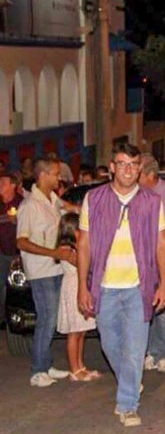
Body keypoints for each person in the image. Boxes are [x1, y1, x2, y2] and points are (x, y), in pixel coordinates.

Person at [77, 143, 165, 427]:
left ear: (140, 168)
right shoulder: (93, 199)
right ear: (112, 167)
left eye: (133, 164)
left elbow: (162, 243)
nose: (128, 169)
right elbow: (83, 244)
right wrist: (82, 285)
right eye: (122, 163)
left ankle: (127, 404)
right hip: (103, 288)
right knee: (110, 344)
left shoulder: (152, 202)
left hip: (137, 288)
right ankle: (130, 381)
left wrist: (163, 284)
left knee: (134, 348)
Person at [16, 157, 75, 387]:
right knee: (46, 319)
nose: (59, 178)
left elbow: (70, 209)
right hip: (41, 271)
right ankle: (38, 370)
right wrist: (53, 252)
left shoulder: (51, 199)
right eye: (55, 173)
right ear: (43, 176)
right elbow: (21, 242)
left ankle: (46, 363)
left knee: (51, 318)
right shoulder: (29, 205)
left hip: (54, 268)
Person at [139, 153, 165, 374]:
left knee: (163, 307)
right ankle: (150, 352)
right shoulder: (136, 195)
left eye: (139, 172)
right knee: (146, 308)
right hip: (143, 261)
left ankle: (164, 353)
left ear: (150, 174)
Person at [56, 212, 101, 382]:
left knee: (82, 330)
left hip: (80, 286)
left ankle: (81, 366)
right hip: (73, 288)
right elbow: (82, 264)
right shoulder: (66, 249)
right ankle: (74, 369)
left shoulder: (77, 246)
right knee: (74, 332)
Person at [0, 172, 23, 329]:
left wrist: (17, 220)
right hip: (2, 253)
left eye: (3, 182)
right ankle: (2, 318)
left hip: (17, 255)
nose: (0, 184)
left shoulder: (22, 203)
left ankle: (15, 317)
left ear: (13, 185)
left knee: (16, 288)